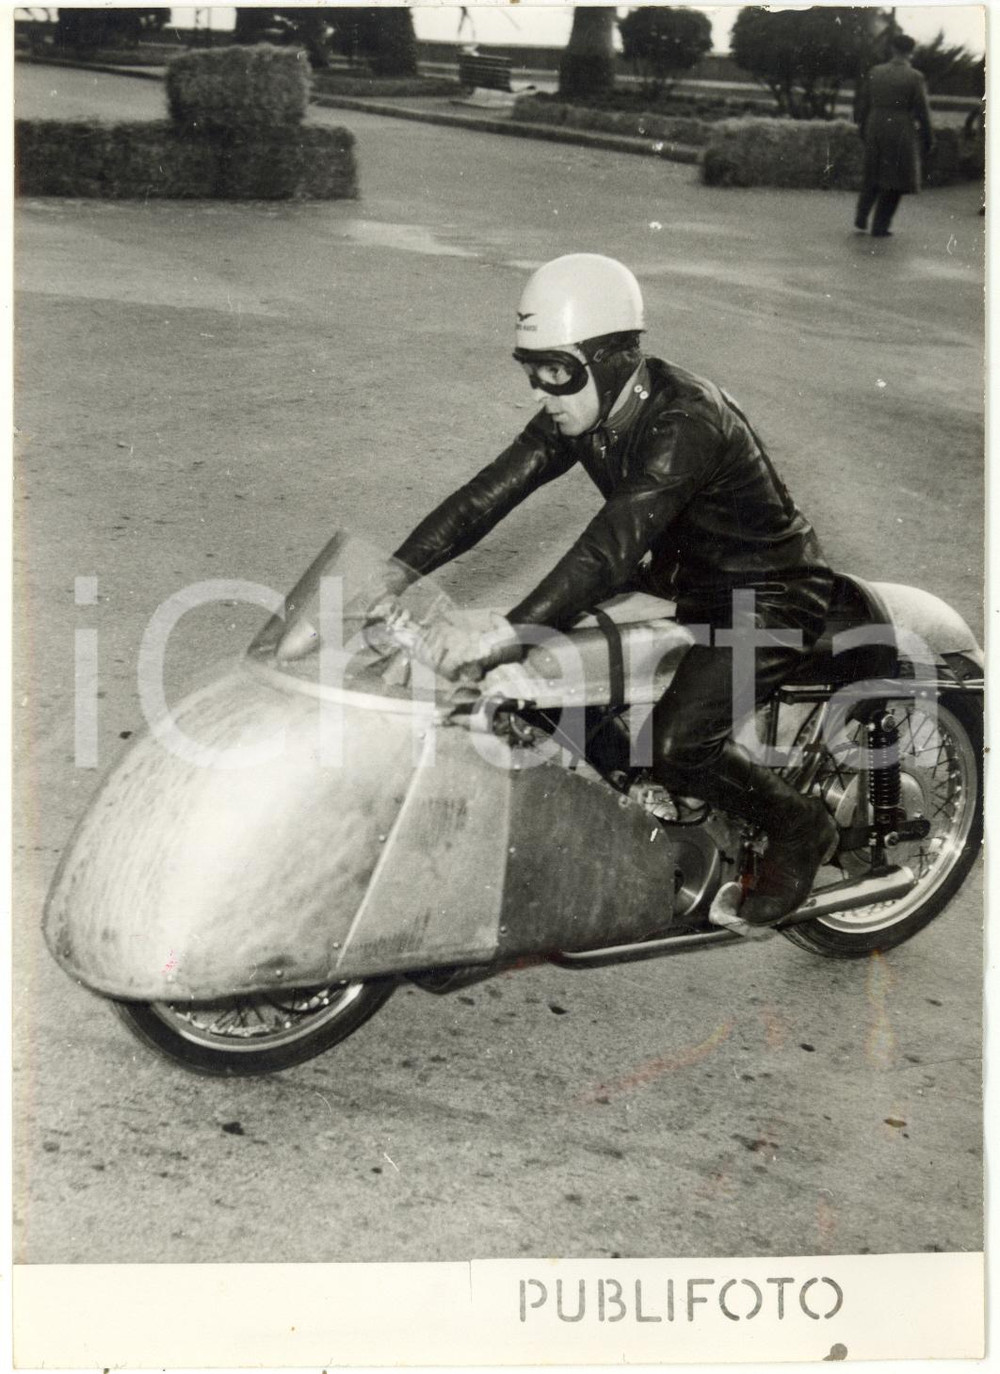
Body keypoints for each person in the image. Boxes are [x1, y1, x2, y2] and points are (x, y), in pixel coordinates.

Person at [389, 254, 837, 928]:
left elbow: (609, 547)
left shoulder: (686, 420)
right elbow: (483, 498)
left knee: (677, 745)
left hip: (767, 592)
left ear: (612, 359)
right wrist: (391, 573)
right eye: (532, 370)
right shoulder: (583, 410)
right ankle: (639, 807)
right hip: (679, 580)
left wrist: (508, 631)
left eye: (556, 371)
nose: (541, 391)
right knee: (542, 686)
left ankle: (800, 827)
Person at [854, 33, 934, 238]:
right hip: (900, 126)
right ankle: (880, 225)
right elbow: (922, 110)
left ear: (892, 49)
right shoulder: (915, 76)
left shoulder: (875, 72)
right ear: (911, 52)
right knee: (896, 177)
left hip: (875, 123)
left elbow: (863, 102)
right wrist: (929, 137)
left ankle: (862, 214)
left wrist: (862, 126)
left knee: (873, 171)